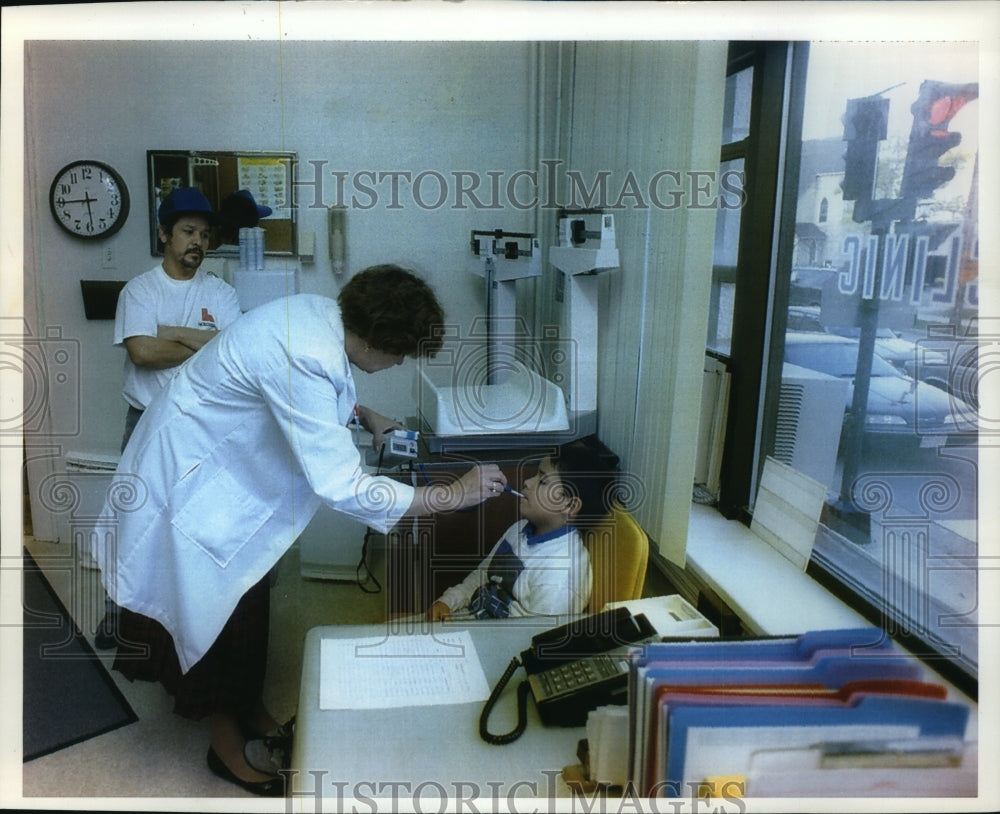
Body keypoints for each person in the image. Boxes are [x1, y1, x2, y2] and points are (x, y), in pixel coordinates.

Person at [93, 265, 508, 796]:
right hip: (191, 484)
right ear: (374, 340)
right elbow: (342, 485)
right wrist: (455, 495)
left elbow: (311, 393)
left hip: (215, 468)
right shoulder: (306, 352)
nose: (399, 363)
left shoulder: (320, 314)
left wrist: (364, 414)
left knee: (246, 607)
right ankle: (225, 746)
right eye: (399, 353)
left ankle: (250, 708)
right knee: (219, 612)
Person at [94, 186, 242, 650]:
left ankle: (176, 617)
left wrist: (172, 333)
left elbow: (231, 353)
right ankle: (116, 614)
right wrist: (202, 342)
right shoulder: (141, 290)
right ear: (164, 235)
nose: (197, 241)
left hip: (200, 426)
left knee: (190, 523)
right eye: (187, 231)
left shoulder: (220, 292)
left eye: (204, 234)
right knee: (133, 519)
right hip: (146, 421)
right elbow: (142, 353)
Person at [426, 441, 619, 622]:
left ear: (570, 505)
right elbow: (483, 575)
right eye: (535, 475)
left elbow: (531, 638)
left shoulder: (560, 576)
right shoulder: (520, 529)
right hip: (467, 617)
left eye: (543, 481)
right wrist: (448, 602)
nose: (527, 482)